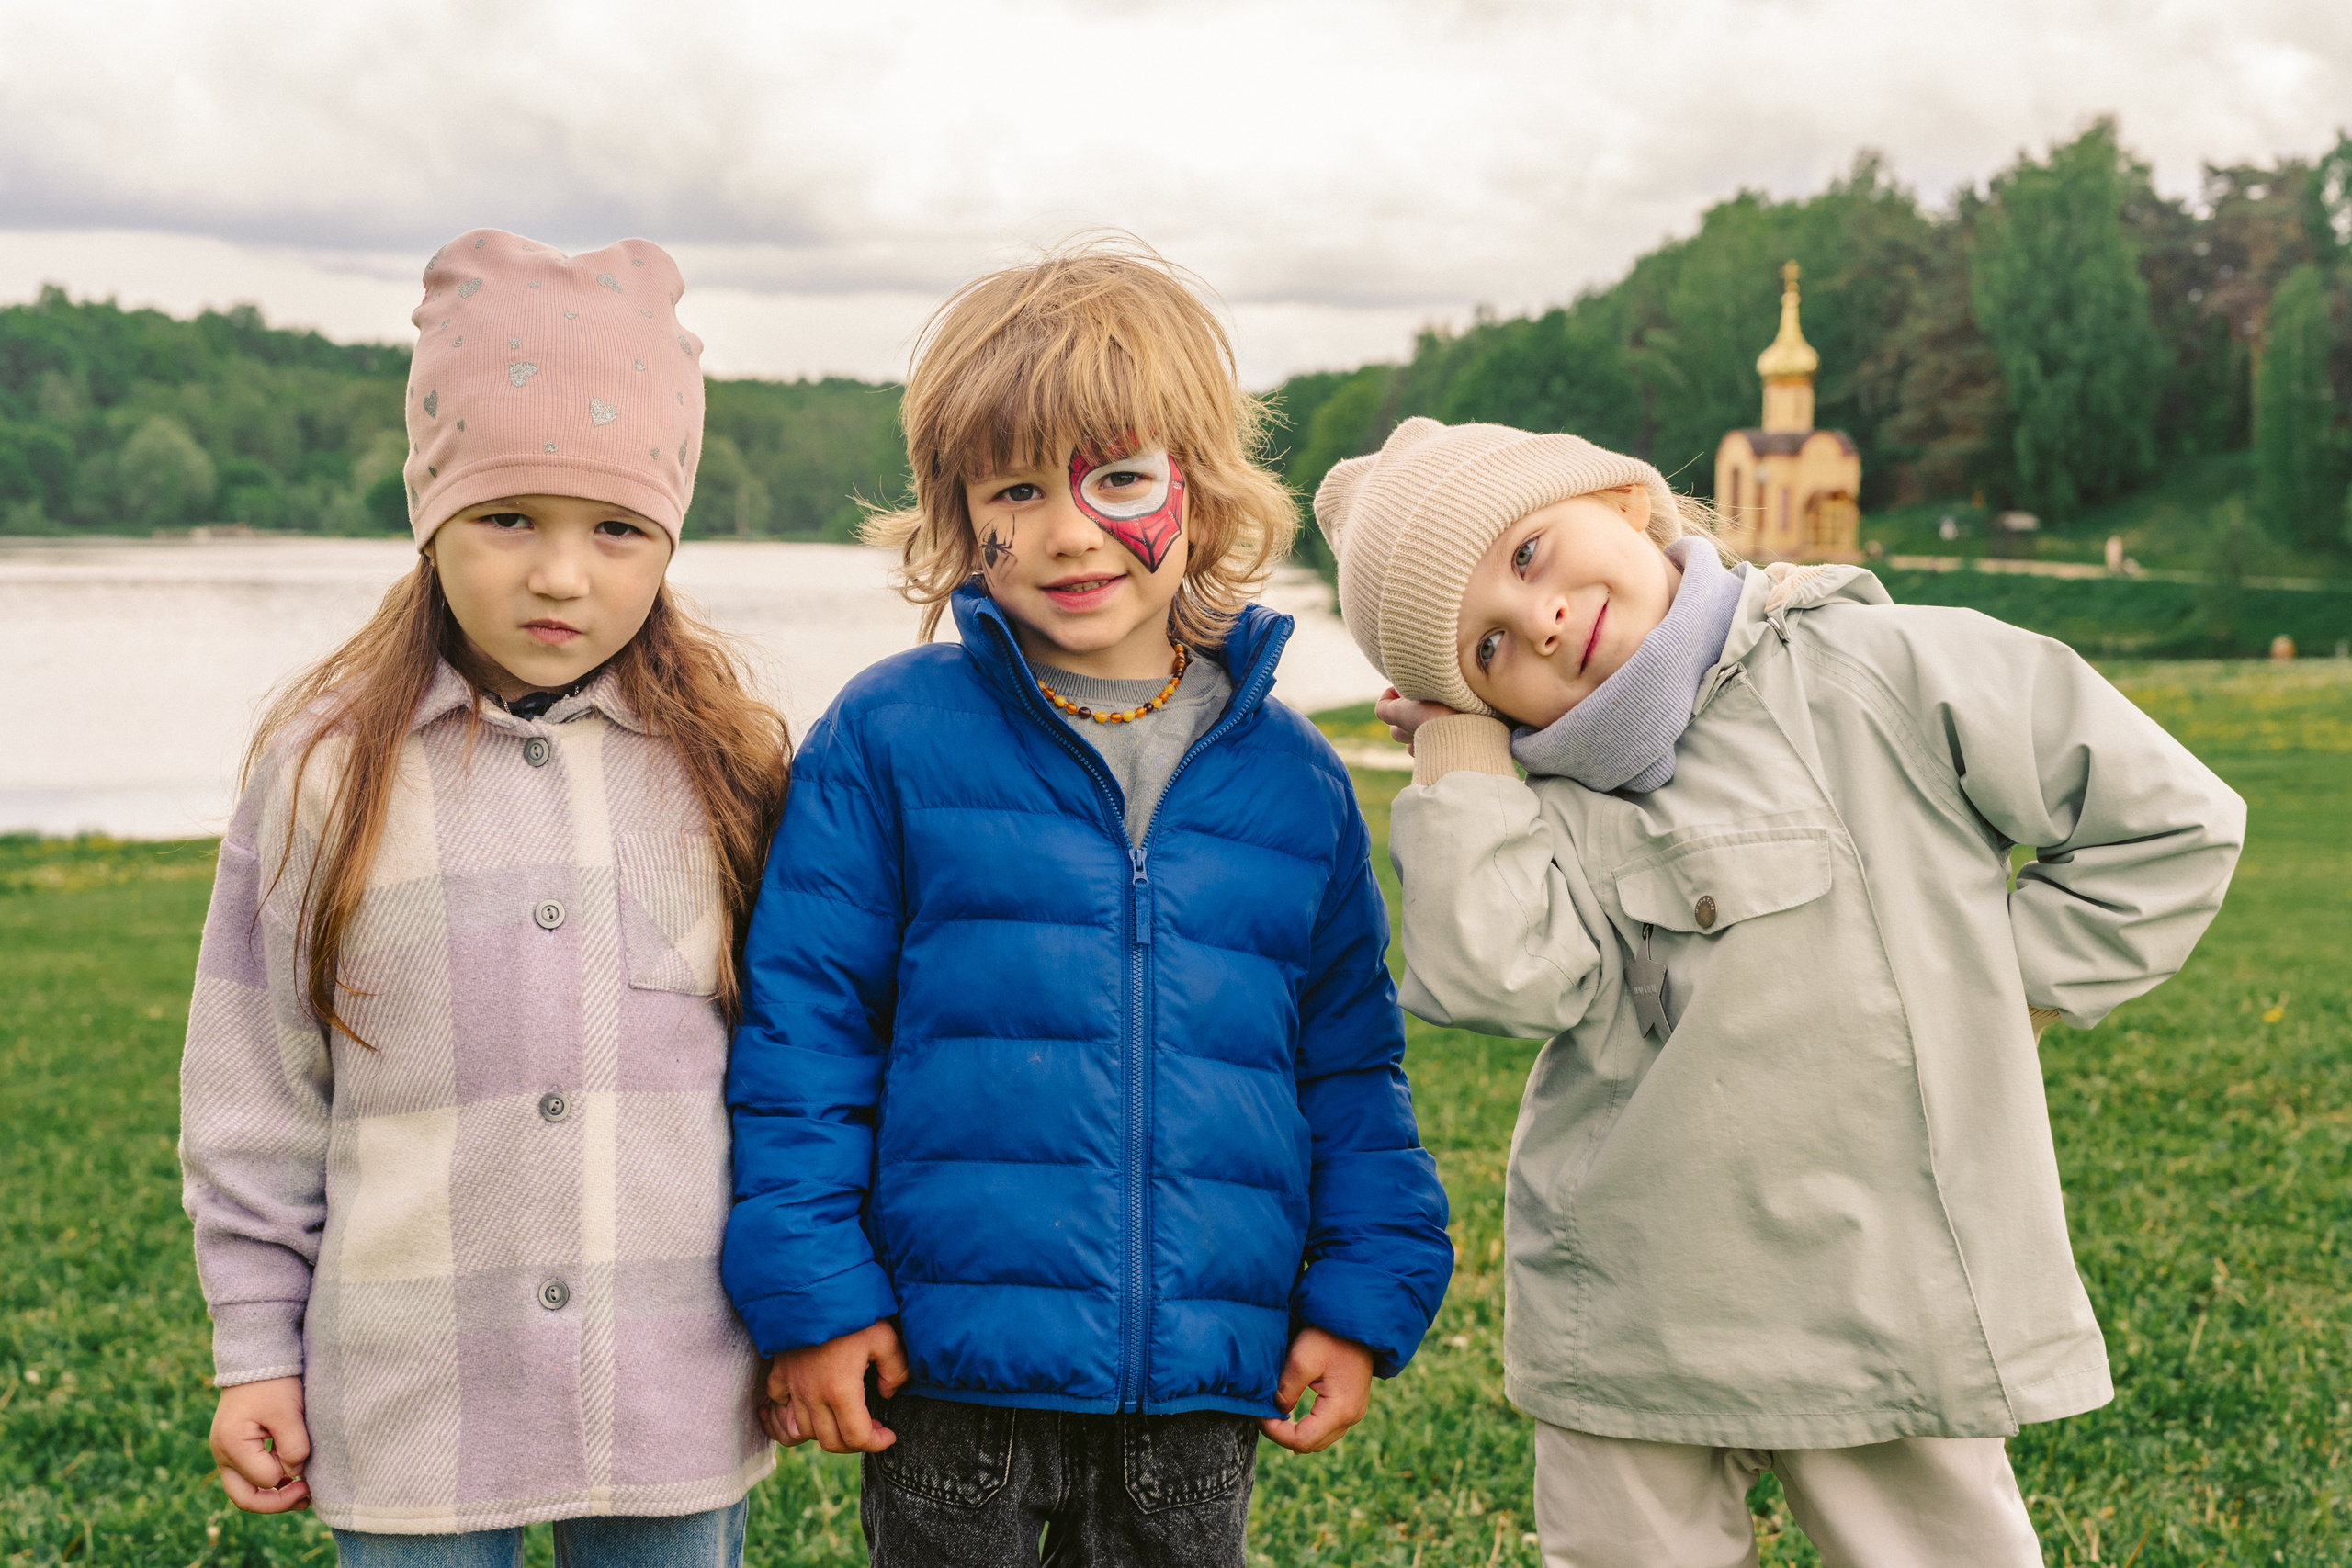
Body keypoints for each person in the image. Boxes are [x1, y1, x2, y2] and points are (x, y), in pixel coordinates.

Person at [1321, 418, 2244, 1568]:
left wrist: (1996, 1003)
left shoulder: (1882, 666)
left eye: (1525, 557)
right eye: (1488, 653)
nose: (1541, 620)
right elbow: (1495, 980)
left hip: (1879, 1290)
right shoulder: (1536, 798)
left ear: (1618, 502)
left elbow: (2171, 822)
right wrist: (1461, 758)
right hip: (1630, 1308)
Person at [720, 241, 1454, 1567]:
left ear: (1204, 492)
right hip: (950, 1383)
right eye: (1015, 486)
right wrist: (817, 1296)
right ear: (959, 513)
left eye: (1119, 477)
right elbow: (803, 1037)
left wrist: (1360, 1294)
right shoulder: (888, 736)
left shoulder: (1293, 779)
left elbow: (1350, 1063)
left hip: (1197, 1382)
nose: (1067, 530)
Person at [178, 230, 789, 1566]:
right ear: (432, 515)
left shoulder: (735, 768)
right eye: (510, 517)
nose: (561, 575)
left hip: (671, 1379)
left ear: (667, 540)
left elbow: (795, 1071)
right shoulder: (320, 773)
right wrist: (252, 1353)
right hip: (409, 1384)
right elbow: (255, 1098)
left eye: (617, 529)